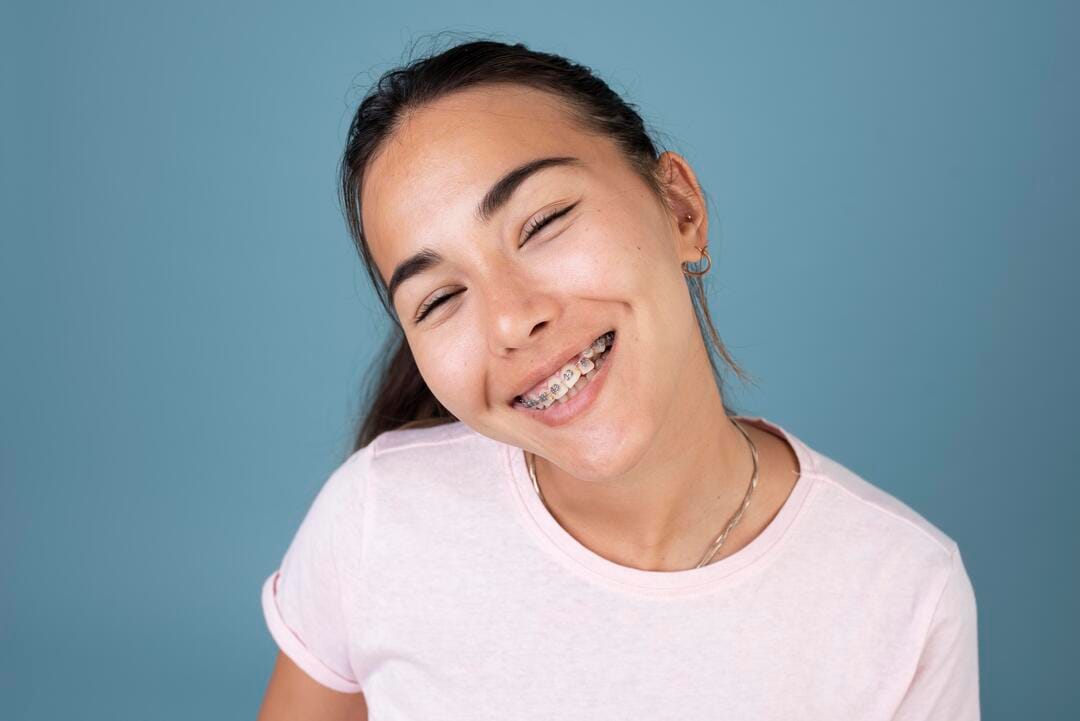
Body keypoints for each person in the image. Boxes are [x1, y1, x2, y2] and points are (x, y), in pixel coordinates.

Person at [256, 38, 980, 721]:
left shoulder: (903, 587)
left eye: (542, 222)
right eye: (440, 298)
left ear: (680, 209)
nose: (512, 319)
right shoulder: (376, 518)